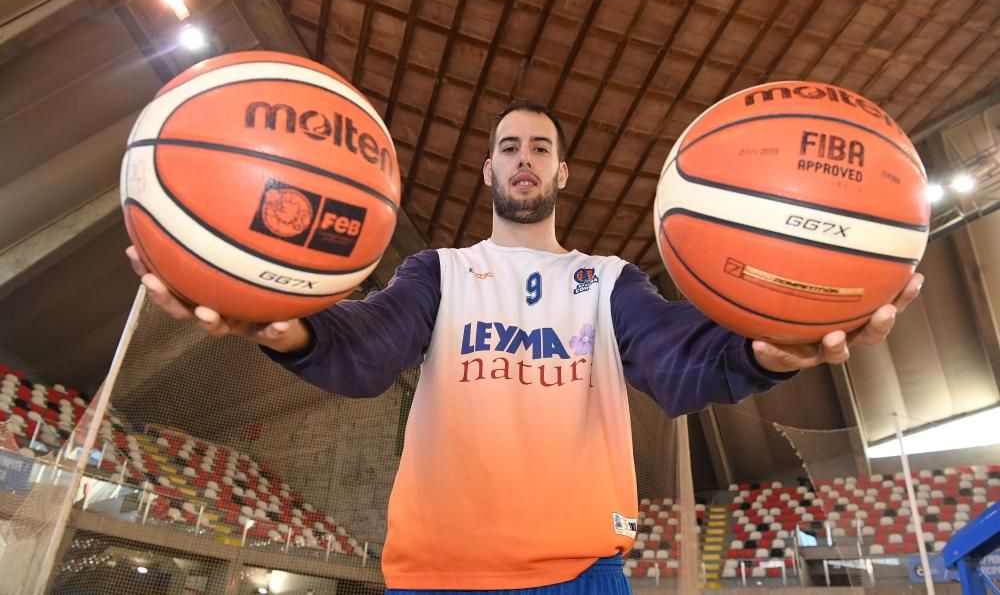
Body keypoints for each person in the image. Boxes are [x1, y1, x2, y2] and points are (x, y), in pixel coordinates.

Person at [127, 99, 923, 593]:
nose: (524, 159)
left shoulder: (609, 282)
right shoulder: (440, 271)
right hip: (439, 576)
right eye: (510, 147)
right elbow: (366, 349)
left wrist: (763, 351)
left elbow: (678, 363)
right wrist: (286, 323)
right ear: (487, 171)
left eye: (539, 147)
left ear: (563, 173)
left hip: (582, 572)